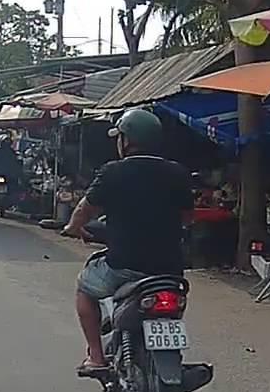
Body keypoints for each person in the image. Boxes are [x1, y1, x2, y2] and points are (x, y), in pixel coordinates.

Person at [61, 108, 194, 377]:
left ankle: (96, 357)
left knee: (84, 290)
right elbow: (188, 217)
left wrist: (73, 228)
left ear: (127, 140)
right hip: (169, 269)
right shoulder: (178, 172)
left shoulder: (113, 172)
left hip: (124, 266)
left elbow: (85, 210)